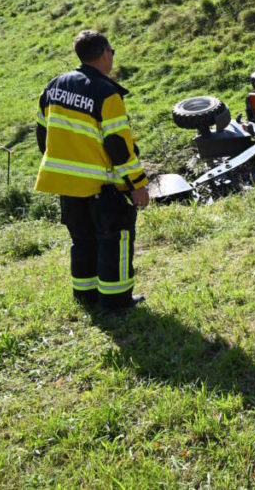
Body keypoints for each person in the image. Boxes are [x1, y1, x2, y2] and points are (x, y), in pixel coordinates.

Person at [35, 30, 149, 311]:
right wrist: (137, 185)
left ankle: (86, 297)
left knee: (82, 240)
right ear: (104, 54)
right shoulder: (106, 93)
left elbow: (42, 133)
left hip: (65, 184)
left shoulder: (53, 86)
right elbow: (119, 147)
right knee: (116, 238)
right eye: (112, 51)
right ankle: (117, 301)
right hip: (101, 187)